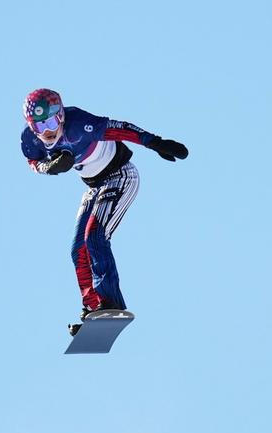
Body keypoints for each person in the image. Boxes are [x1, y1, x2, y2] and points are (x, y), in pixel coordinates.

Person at [20, 88, 188, 335]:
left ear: (62, 116)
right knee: (78, 249)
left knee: (95, 237)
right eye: (40, 125)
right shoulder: (31, 141)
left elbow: (117, 128)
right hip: (94, 187)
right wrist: (50, 167)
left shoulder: (78, 124)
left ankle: (111, 303)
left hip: (120, 175)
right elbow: (34, 162)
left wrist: (154, 142)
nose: (48, 131)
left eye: (52, 121)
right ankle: (94, 308)